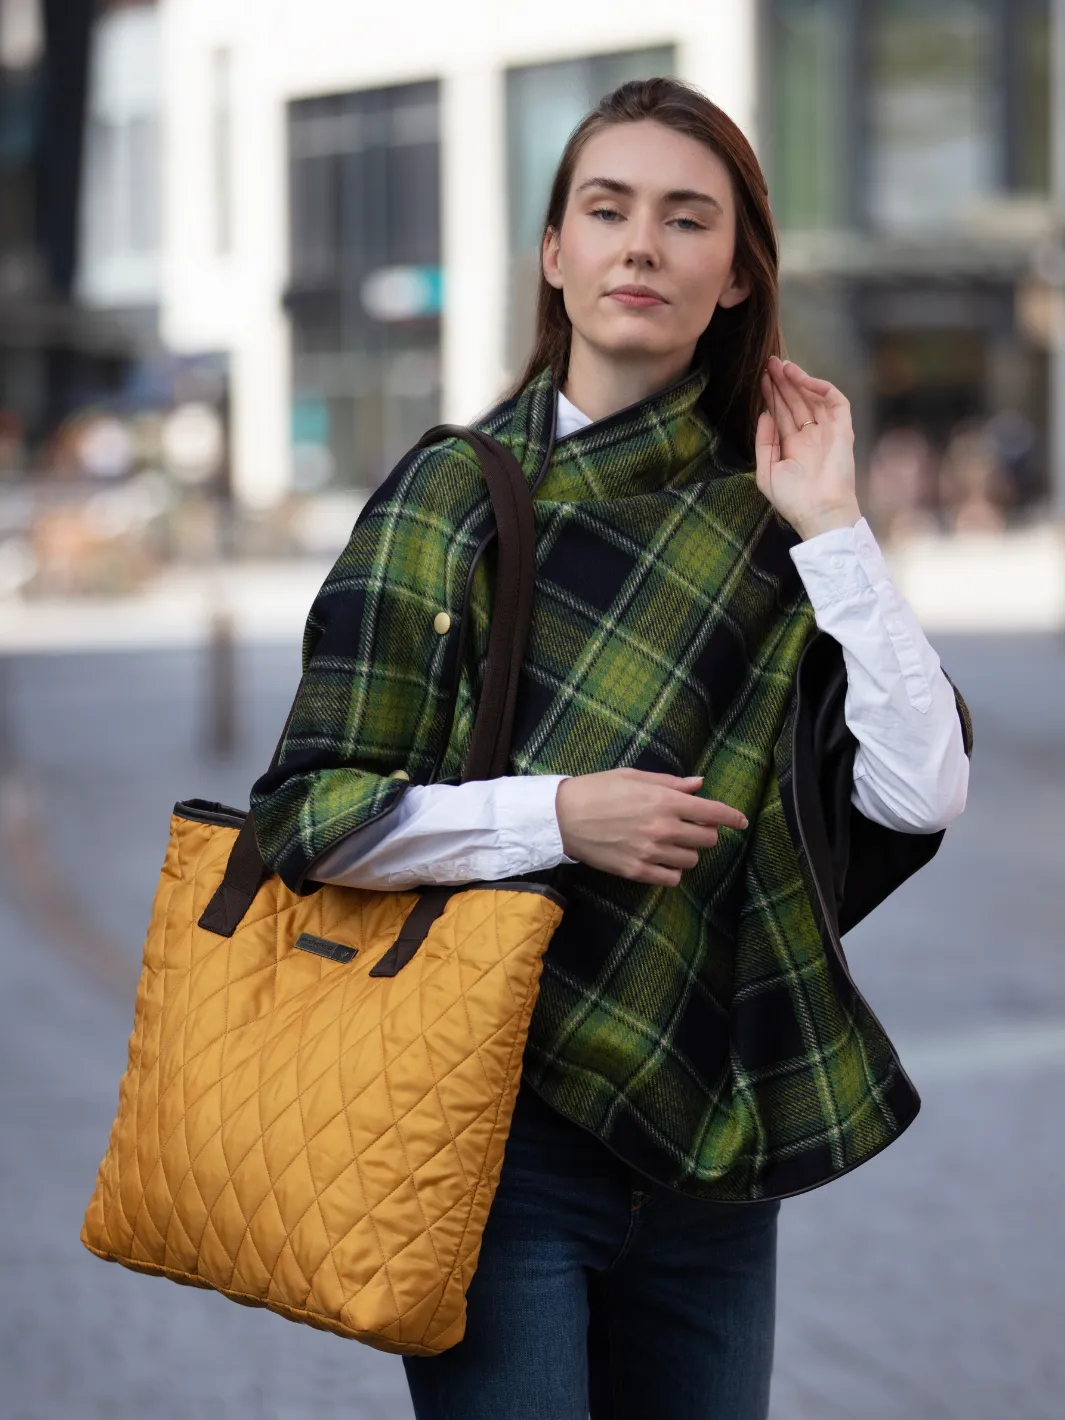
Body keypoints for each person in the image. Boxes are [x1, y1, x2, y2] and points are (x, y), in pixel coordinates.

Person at [250, 78, 972, 1420]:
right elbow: (305, 815)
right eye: (608, 208)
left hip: (713, 1141)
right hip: (490, 1136)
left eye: (688, 218)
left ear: (736, 274)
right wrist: (559, 816)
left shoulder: (774, 526)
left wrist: (834, 529)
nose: (643, 244)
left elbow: (920, 790)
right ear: (555, 255)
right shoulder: (449, 496)